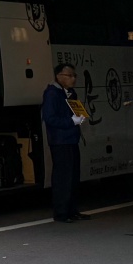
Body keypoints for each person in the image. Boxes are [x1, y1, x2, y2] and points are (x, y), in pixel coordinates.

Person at [41, 63, 89, 222]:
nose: (73, 79)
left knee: (74, 176)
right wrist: (70, 121)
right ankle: (61, 213)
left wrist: (78, 118)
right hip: (60, 141)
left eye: (74, 75)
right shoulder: (52, 94)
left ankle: (72, 210)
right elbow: (50, 118)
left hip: (71, 139)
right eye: (69, 76)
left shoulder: (70, 93)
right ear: (58, 76)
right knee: (63, 178)